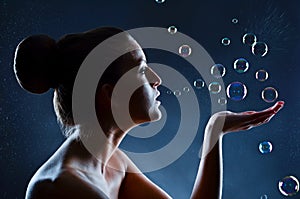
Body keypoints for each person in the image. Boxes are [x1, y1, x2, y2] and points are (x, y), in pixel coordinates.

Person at [13, 27, 284, 199]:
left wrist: (215, 131)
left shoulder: (113, 162)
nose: (156, 79)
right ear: (109, 95)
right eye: (142, 69)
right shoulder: (62, 189)